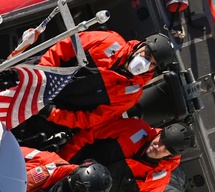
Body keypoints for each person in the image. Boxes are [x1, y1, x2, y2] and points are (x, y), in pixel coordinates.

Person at [58, 119, 193, 192]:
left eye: (166, 148)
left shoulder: (157, 183)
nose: (158, 147)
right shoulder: (134, 127)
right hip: (62, 167)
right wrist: (60, 163)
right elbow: (88, 135)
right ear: (160, 132)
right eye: (162, 139)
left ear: (171, 155)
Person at [36, 31, 176, 131]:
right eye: (147, 54)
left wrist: (50, 112)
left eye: (152, 64)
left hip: (50, 111)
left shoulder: (131, 95)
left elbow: (90, 119)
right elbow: (64, 47)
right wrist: (39, 78)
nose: (145, 63)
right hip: (37, 76)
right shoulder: (109, 40)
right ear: (141, 45)